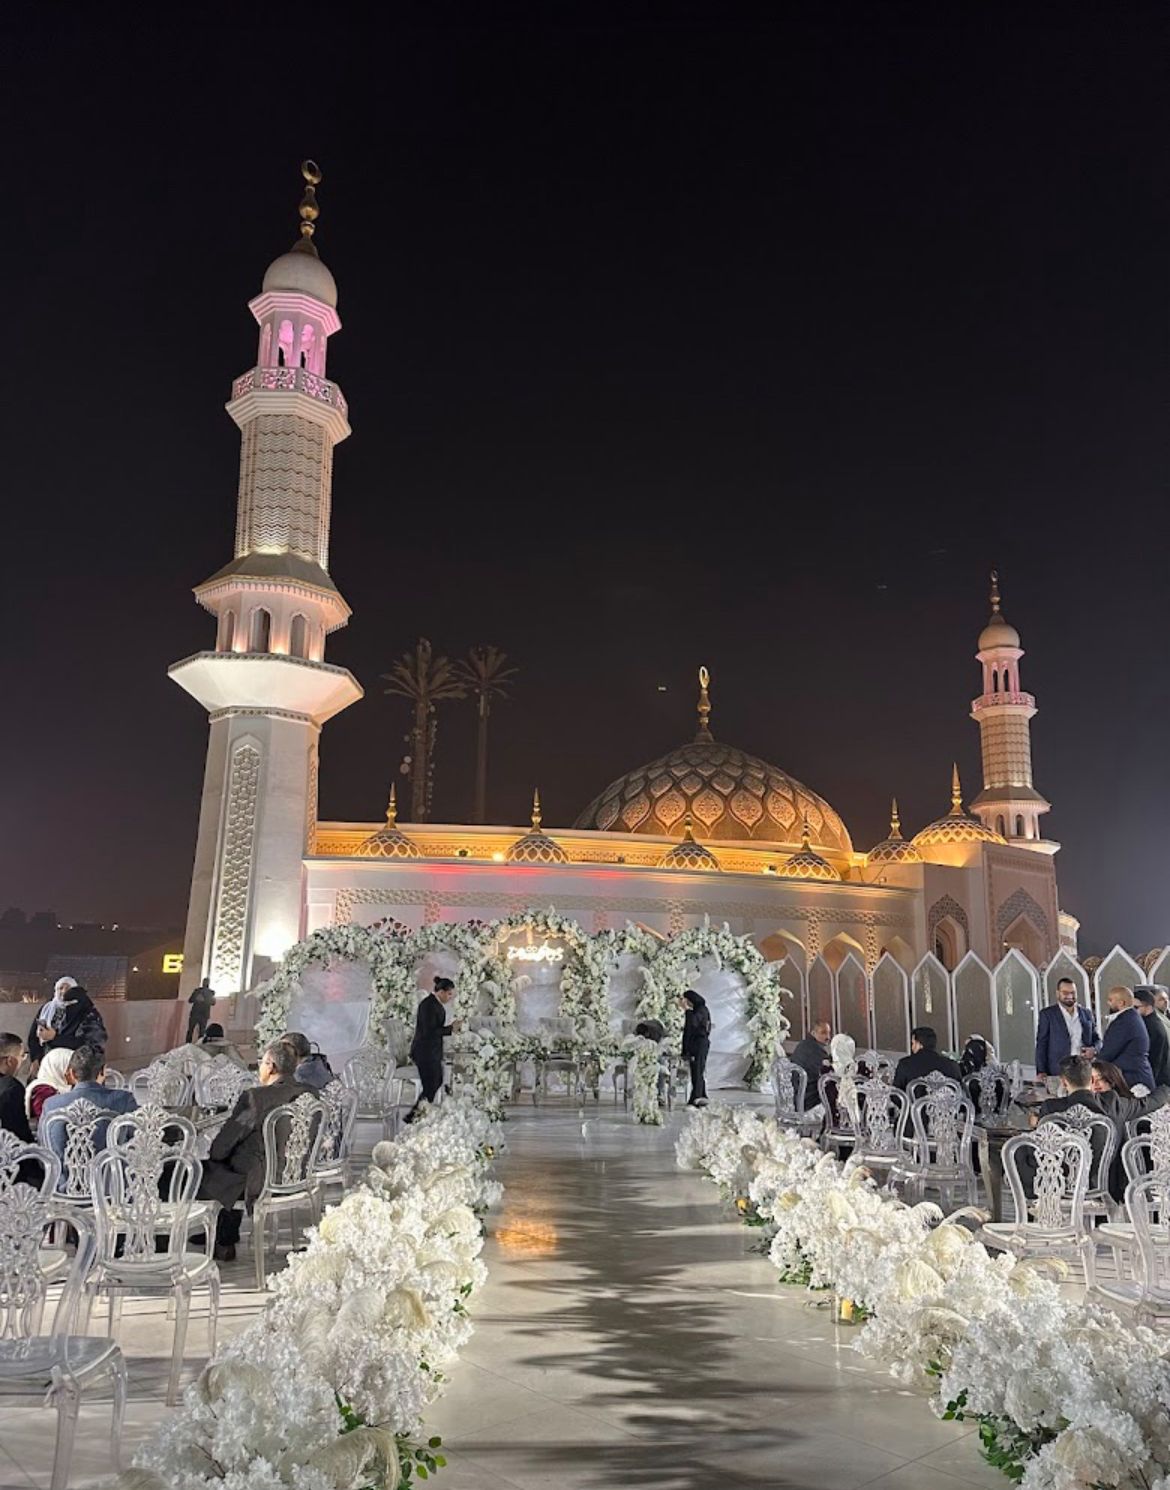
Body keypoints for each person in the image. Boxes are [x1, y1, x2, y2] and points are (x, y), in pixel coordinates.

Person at [196, 1041, 314, 1260]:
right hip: (295, 1175)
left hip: (258, 1181)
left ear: (271, 1067)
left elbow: (219, 1149)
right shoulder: (310, 1095)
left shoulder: (256, 1098)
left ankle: (169, 1244)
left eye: (261, 1062)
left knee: (189, 1172)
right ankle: (224, 1239)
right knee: (232, 1168)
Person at [41, 1044, 138, 1174]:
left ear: (71, 1073)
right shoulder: (123, 1099)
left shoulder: (51, 1105)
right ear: (103, 1071)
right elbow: (138, 1143)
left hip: (63, 1188)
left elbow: (45, 1151)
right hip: (111, 1188)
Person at [405, 977, 458, 1123]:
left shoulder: (434, 1004)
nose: (450, 997)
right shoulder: (428, 1005)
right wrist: (450, 1029)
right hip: (424, 1052)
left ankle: (419, 1113)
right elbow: (429, 1031)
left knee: (436, 1081)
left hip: (431, 1052)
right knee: (431, 1083)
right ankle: (415, 1115)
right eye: (448, 994)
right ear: (440, 992)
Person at [27, 979, 107, 1067]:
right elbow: (33, 1037)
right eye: (60, 988)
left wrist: (55, 1038)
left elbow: (92, 1045)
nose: (64, 991)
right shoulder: (47, 1009)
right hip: (49, 1065)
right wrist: (35, 1059)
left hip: (76, 1067)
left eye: (68, 988)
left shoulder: (86, 1012)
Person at [1035, 977, 1100, 1083]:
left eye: (1073, 992)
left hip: (1083, 1069)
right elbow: (1042, 1044)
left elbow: (1097, 1039)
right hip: (1058, 1070)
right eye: (1065, 992)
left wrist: (1094, 1050)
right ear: (1057, 993)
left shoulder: (1086, 1013)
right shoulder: (1047, 1014)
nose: (1070, 996)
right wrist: (1041, 1071)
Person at [1097, 986, 1153, 1092]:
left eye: (1110, 1000)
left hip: (1132, 1079)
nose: (1108, 1003)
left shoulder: (1123, 1022)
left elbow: (1108, 1052)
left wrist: (1091, 1068)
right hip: (1136, 1076)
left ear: (1121, 1003)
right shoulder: (1132, 1017)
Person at [893, 1027, 962, 1092]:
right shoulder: (951, 1064)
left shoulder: (905, 1064)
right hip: (947, 1104)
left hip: (917, 1104)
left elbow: (897, 1094)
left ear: (919, 1044)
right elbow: (960, 1090)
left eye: (913, 1043)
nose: (912, 1047)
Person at [25, 1045, 75, 1126]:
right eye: (68, 1068)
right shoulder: (43, 1090)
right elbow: (48, 1118)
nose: (73, 1073)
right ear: (58, 1068)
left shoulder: (61, 1086)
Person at [790, 1020, 832, 1109]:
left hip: (796, 1096)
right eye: (823, 1033)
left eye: (829, 1033)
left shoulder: (803, 1044)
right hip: (807, 1100)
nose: (828, 1037)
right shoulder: (815, 1050)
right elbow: (824, 1074)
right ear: (813, 1033)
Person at [680, 989, 711, 1107]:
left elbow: (693, 1023)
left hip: (700, 1044)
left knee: (698, 1070)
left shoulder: (701, 1010)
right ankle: (701, 1095)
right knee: (696, 1070)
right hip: (696, 1044)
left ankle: (697, 1097)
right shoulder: (698, 1010)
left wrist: (687, 1010)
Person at [0, 1032, 32, 1143]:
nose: (23, 1061)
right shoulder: (12, 1088)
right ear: (9, 1061)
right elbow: (17, 1133)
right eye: (22, 1056)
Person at [1135, 988, 1170, 1087]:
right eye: (1161, 999)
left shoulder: (1151, 1025)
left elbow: (1155, 1057)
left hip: (1158, 1078)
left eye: (1136, 1007)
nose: (1166, 1002)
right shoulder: (1156, 1021)